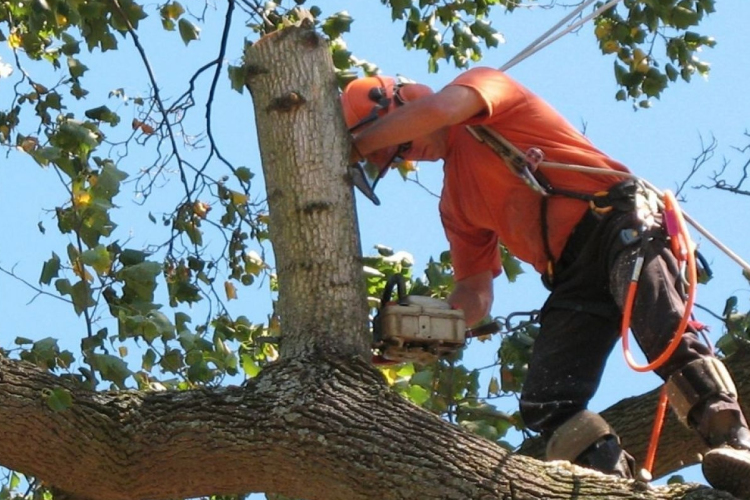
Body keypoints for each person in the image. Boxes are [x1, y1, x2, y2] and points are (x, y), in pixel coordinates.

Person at [341, 67, 750, 497]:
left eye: (400, 142)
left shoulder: (479, 91)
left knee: (661, 328)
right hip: (571, 276)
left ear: (403, 102)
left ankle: (734, 441)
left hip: (615, 223)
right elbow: (475, 291)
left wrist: (359, 145)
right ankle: (613, 484)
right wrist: (432, 329)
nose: (409, 153)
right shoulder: (455, 203)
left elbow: (443, 108)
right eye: (398, 155)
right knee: (547, 401)